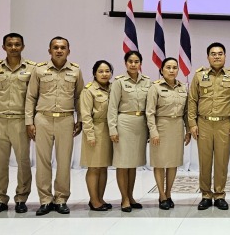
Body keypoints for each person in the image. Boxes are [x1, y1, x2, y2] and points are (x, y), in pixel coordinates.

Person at [25, 36, 84, 216]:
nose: (59, 50)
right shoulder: (40, 70)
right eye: (55, 47)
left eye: (63, 47)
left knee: (64, 162)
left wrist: (79, 119)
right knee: (42, 162)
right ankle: (45, 200)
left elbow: (79, 97)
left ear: (68, 51)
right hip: (42, 119)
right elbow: (31, 97)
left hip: (66, 120)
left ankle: (61, 199)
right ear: (49, 50)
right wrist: (29, 122)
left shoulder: (75, 71)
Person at [0, 33, 35, 215]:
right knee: (0, 163)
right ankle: (0, 199)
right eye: (10, 44)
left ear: (23, 46)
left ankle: (21, 198)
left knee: (23, 162)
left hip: (21, 122)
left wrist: (31, 122)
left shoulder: (32, 68)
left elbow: (34, 97)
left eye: (17, 44)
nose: (13, 47)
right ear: (3, 47)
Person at [188, 42, 230, 210]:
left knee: (221, 161)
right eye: (213, 53)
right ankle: (205, 194)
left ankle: (219, 195)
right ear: (208, 57)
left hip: (224, 124)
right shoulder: (199, 76)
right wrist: (192, 124)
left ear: (225, 56)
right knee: (204, 161)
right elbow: (192, 100)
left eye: (220, 53)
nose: (217, 56)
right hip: (203, 123)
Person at [108, 50, 151, 212]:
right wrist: (113, 129)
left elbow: (150, 107)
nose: (133, 64)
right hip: (124, 123)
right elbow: (112, 107)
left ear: (141, 64)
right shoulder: (119, 82)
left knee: (133, 164)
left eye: (136, 61)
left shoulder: (147, 82)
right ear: (125, 63)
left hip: (140, 124)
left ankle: (131, 196)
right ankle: (124, 198)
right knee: (123, 163)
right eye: (130, 61)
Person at [146, 57, 192, 210]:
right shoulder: (155, 87)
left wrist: (188, 130)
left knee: (173, 163)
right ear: (162, 70)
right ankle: (161, 195)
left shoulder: (182, 87)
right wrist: (153, 132)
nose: (172, 70)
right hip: (161, 127)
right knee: (159, 162)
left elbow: (186, 112)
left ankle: (168, 193)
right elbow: (150, 112)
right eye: (168, 67)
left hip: (177, 127)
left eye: (174, 67)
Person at [79, 60, 114, 211]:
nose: (104, 74)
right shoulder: (89, 90)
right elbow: (85, 115)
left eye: (107, 71)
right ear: (94, 73)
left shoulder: (113, 88)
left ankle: (100, 198)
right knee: (94, 168)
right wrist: (90, 135)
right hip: (95, 129)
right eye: (101, 71)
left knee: (103, 167)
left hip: (109, 130)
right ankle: (94, 200)